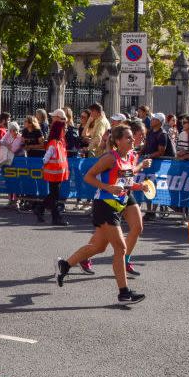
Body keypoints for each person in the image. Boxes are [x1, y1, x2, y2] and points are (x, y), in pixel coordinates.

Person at [54, 124, 150, 304]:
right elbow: (88, 177)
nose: (132, 140)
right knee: (120, 248)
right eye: (128, 137)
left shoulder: (129, 157)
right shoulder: (109, 158)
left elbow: (125, 183)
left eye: (132, 137)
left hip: (119, 204)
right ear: (118, 141)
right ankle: (124, 293)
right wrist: (108, 187)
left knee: (98, 247)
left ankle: (64, 265)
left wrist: (139, 186)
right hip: (104, 206)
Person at [33, 110, 70, 225]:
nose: (52, 119)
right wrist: (44, 163)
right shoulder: (55, 142)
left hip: (56, 172)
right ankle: (53, 216)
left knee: (54, 195)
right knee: (55, 195)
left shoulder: (58, 140)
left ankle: (42, 209)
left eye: (54, 117)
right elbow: (47, 156)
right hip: (54, 172)